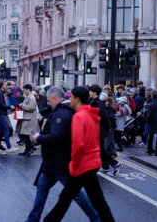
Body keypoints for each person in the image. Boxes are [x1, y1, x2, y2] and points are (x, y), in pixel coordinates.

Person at [44, 86, 115, 222]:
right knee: (74, 198)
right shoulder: (90, 114)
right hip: (91, 162)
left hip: (83, 165)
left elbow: (78, 144)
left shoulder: (79, 117)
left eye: (70, 97)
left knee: (70, 198)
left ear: (77, 99)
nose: (69, 99)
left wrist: (73, 165)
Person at [28, 86, 99, 222]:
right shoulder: (62, 111)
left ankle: (96, 218)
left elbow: (56, 136)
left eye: (48, 100)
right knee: (41, 188)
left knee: (76, 194)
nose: (48, 103)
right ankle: (33, 219)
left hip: (60, 163)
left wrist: (39, 138)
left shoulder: (62, 113)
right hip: (51, 163)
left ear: (54, 98)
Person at [89, 84, 122, 174]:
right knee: (100, 149)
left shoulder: (99, 103)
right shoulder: (94, 101)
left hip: (99, 130)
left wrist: (108, 128)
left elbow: (105, 117)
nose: (89, 93)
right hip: (96, 129)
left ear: (94, 92)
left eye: (90, 91)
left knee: (99, 149)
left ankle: (114, 163)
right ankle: (109, 165)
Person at [15, 84, 37, 156]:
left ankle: (30, 148)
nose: (24, 91)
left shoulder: (32, 98)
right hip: (26, 118)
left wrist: (21, 105)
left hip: (29, 118)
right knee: (25, 135)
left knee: (26, 134)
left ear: (28, 89)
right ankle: (27, 149)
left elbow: (31, 107)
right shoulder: (28, 97)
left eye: (24, 90)